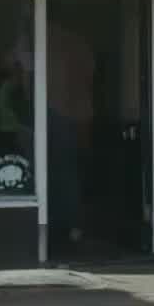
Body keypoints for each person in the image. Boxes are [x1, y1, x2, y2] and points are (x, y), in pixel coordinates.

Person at [46, 15, 96, 249]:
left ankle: (61, 224)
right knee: (73, 171)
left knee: (60, 171)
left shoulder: (43, 39)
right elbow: (90, 75)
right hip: (80, 115)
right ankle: (74, 226)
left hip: (59, 114)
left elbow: (10, 65)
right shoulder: (80, 44)